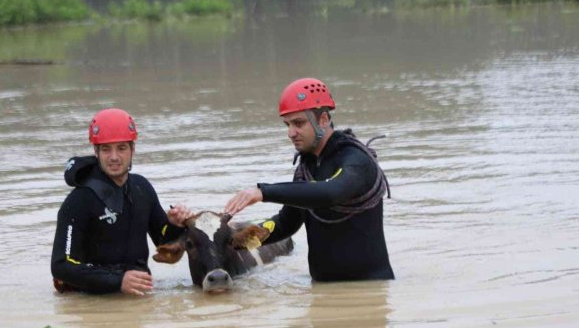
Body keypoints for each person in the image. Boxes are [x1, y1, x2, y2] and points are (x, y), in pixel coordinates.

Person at [224, 78, 395, 282]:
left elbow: (331, 193)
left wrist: (263, 192)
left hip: (368, 293)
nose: (290, 133)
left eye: (298, 123)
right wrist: (236, 241)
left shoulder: (356, 160)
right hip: (321, 292)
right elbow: (286, 224)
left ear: (323, 120)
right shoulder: (307, 169)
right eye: (287, 124)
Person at [51, 108, 192, 295]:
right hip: (89, 300)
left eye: (121, 148)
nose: (114, 157)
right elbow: (61, 265)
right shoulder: (78, 201)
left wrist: (174, 225)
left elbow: (162, 240)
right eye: (106, 149)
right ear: (96, 151)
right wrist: (118, 281)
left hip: (138, 294)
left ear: (133, 149)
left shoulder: (142, 188)